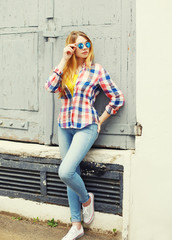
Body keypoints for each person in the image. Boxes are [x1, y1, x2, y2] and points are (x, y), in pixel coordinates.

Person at [45, 31, 125, 240]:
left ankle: (86, 200)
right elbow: (50, 86)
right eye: (79, 45)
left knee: (65, 172)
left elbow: (117, 97)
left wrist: (100, 120)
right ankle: (76, 225)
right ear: (71, 48)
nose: (85, 47)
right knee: (72, 173)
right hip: (64, 126)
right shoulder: (66, 71)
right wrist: (64, 60)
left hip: (86, 126)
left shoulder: (96, 71)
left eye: (87, 43)